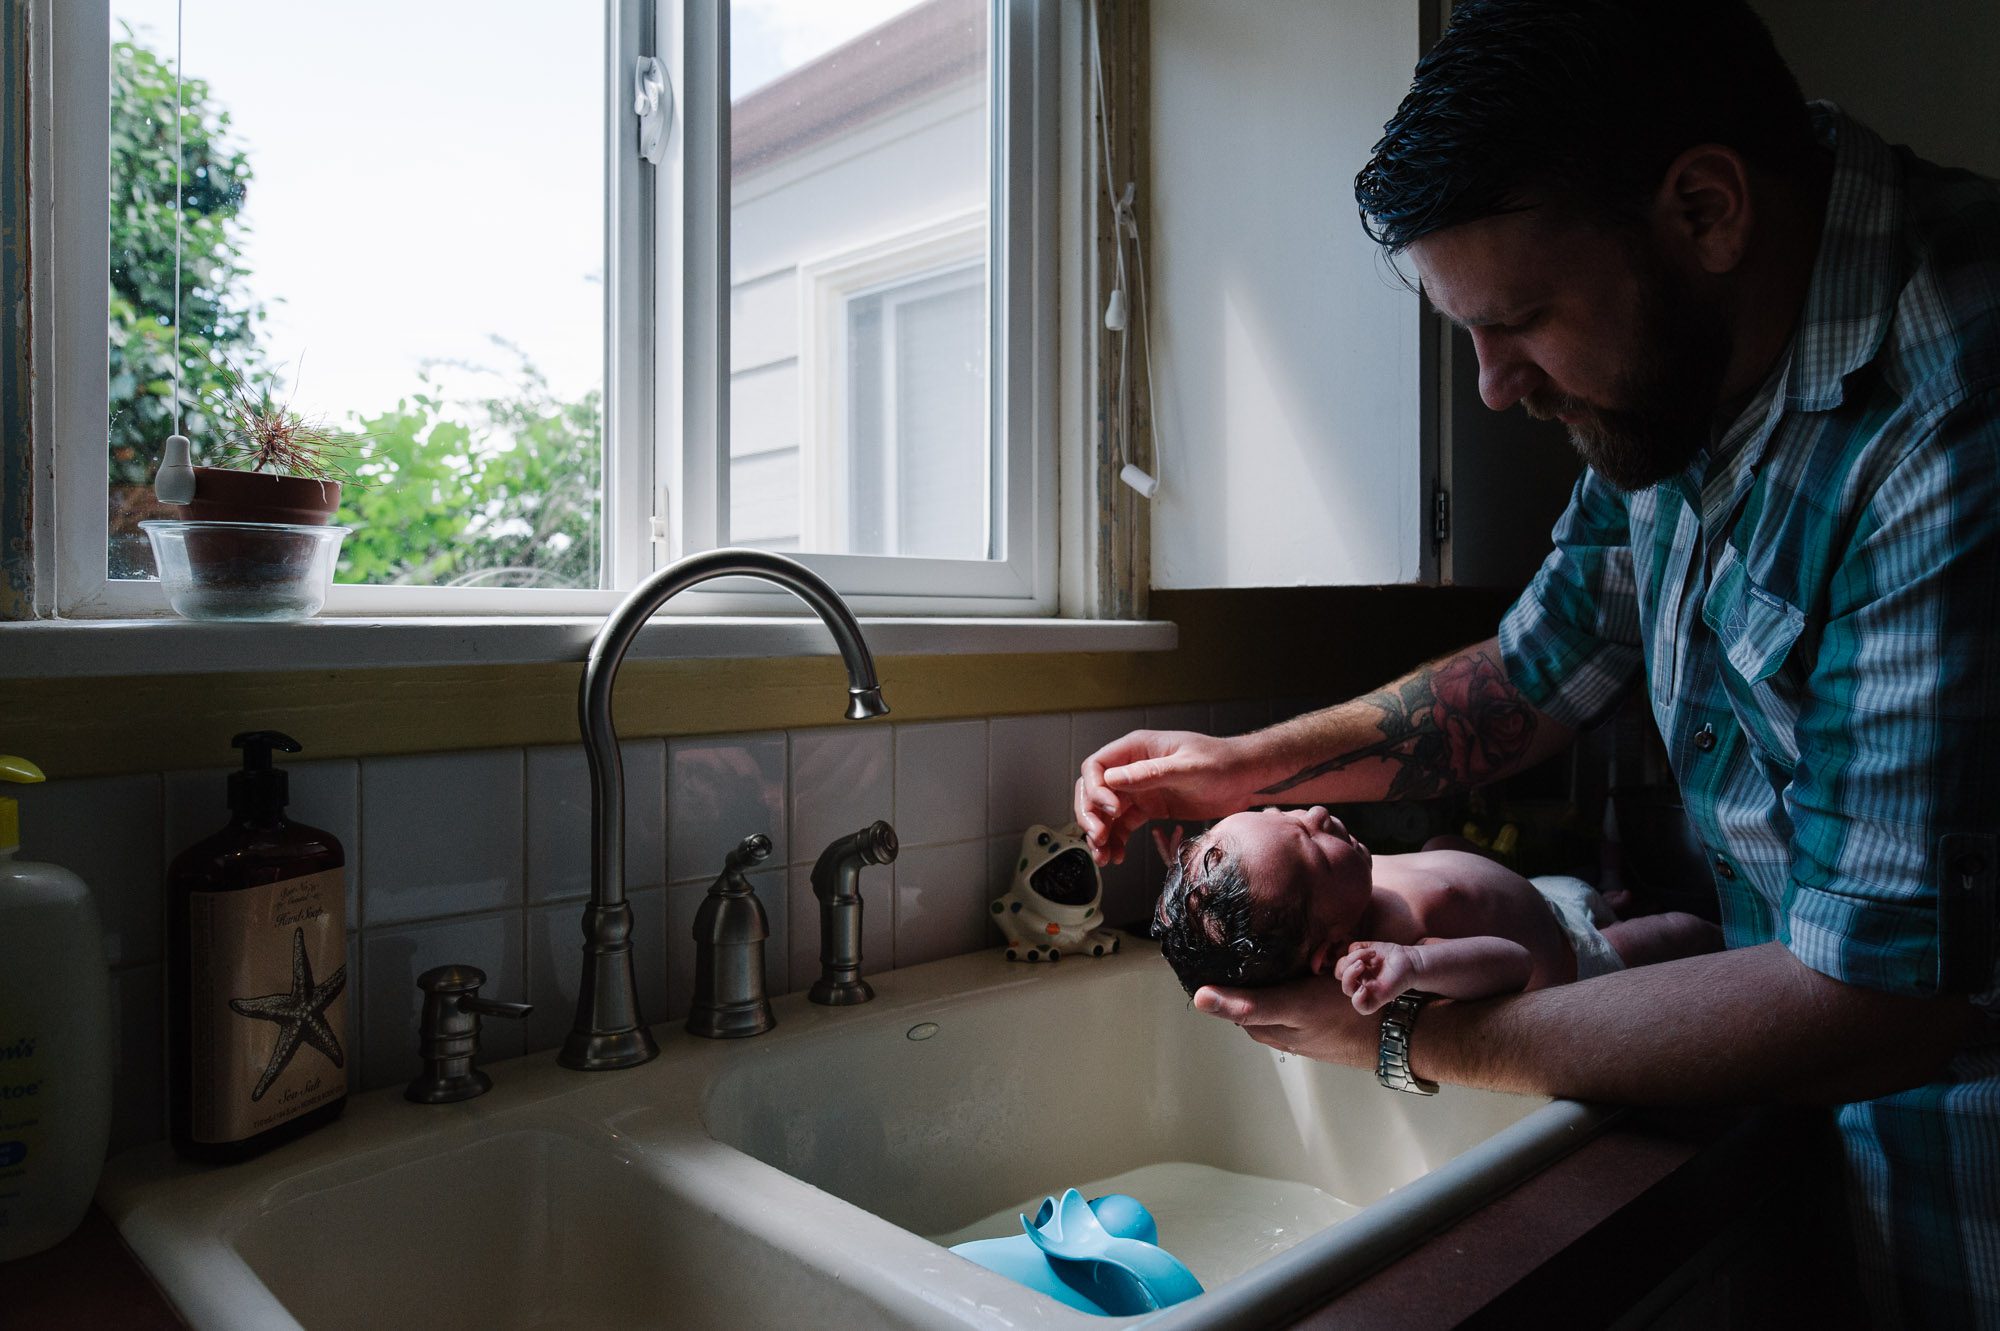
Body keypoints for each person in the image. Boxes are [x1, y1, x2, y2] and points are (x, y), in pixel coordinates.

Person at [1074, 1, 2000, 1323]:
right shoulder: (1686, 377)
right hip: (1838, 1156)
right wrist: (1249, 759)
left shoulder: (1953, 403)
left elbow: (1882, 1002)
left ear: (1704, 210)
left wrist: (1406, 1036)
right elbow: (1530, 671)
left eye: (1517, 318)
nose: (1493, 386)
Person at [1152, 806, 1720, 1009]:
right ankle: (1729, 942)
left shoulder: (1345, 892)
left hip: (1542, 894)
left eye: (1283, 812)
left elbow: (1236, 905)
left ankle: (1607, 897)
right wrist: (1418, 966)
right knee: (1680, 930)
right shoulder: (1396, 950)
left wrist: (1188, 881)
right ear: (1330, 949)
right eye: (1313, 850)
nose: (1318, 813)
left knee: (1438, 849)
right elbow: (1514, 963)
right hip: (1578, 957)